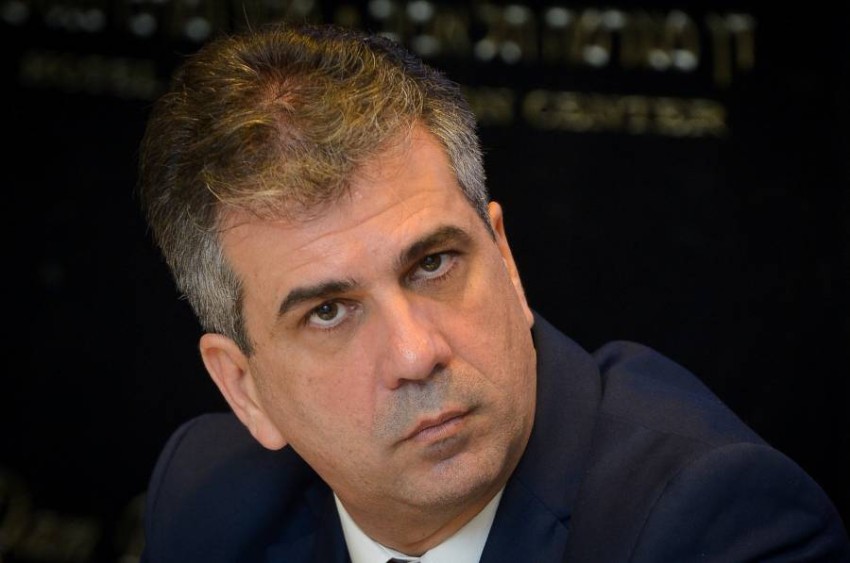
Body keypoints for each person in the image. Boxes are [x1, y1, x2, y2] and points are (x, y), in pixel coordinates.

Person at [135, 21, 850, 563]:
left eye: (433, 264)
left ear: (504, 257)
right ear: (245, 388)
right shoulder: (209, 499)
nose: (416, 354)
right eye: (328, 312)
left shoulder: (714, 521)